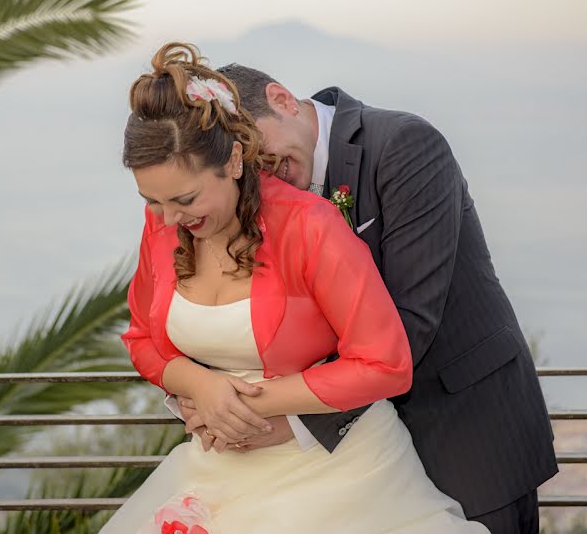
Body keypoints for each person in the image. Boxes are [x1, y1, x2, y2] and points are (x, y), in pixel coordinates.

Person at [99, 42, 488, 533]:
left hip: (339, 475)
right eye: (152, 201)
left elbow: (385, 363)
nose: (169, 218)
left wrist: (238, 405)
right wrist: (197, 385)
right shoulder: (162, 224)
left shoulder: (311, 224)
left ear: (235, 161)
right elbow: (141, 340)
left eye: (185, 198)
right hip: (219, 463)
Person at [171, 61, 559, 532]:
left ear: (283, 100)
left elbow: (410, 322)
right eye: (245, 163)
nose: (260, 172)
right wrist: (208, 392)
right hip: (350, 466)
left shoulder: (405, 145)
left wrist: (277, 415)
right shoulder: (259, 194)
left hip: (462, 432)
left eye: (261, 151)